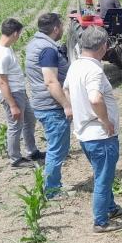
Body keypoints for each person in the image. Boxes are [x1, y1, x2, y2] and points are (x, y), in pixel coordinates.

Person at [63, 26, 122, 233]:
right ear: (103, 46)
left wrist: (73, 108)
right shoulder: (94, 70)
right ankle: (100, 221)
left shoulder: (75, 65)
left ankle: (111, 208)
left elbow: (66, 89)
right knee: (103, 179)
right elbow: (95, 98)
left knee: (102, 173)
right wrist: (105, 120)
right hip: (100, 136)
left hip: (85, 134)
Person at [25, 13, 72, 198]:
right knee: (57, 150)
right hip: (52, 106)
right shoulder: (48, 49)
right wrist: (66, 105)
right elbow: (51, 81)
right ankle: (52, 190)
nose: (62, 30)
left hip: (42, 103)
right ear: (55, 28)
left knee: (56, 147)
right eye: (61, 26)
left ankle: (53, 185)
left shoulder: (34, 44)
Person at [0, 18, 43, 169]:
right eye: (19, 34)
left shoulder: (6, 48)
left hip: (19, 92)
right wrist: (13, 105)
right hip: (12, 95)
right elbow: (2, 82)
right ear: (14, 33)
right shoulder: (2, 54)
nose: (19, 37)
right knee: (15, 126)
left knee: (29, 119)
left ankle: (32, 151)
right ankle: (15, 159)